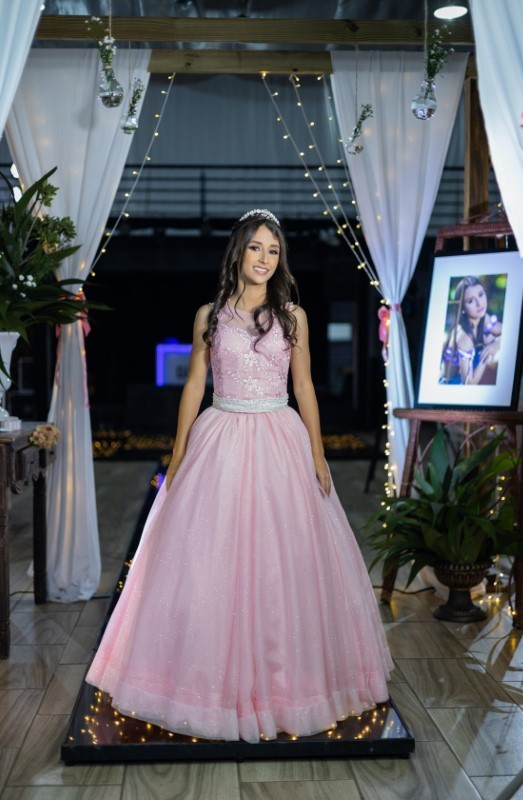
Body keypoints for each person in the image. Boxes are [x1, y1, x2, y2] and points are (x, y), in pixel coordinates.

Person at [86, 209, 393, 743]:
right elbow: (194, 385)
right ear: (238, 252)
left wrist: (317, 453)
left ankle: (289, 687)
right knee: (209, 558)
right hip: (221, 435)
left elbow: (304, 387)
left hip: (279, 439)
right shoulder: (210, 315)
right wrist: (178, 452)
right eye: (256, 248)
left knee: (283, 564)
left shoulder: (292, 317)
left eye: (273, 251)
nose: (264, 259)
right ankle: (202, 684)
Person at [440, 275, 502, 386]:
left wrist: (496, 345)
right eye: (470, 301)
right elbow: (469, 383)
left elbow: (505, 330)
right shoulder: (464, 337)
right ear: (463, 308)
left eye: (481, 295)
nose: (479, 303)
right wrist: (487, 352)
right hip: (450, 386)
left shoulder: (482, 318)